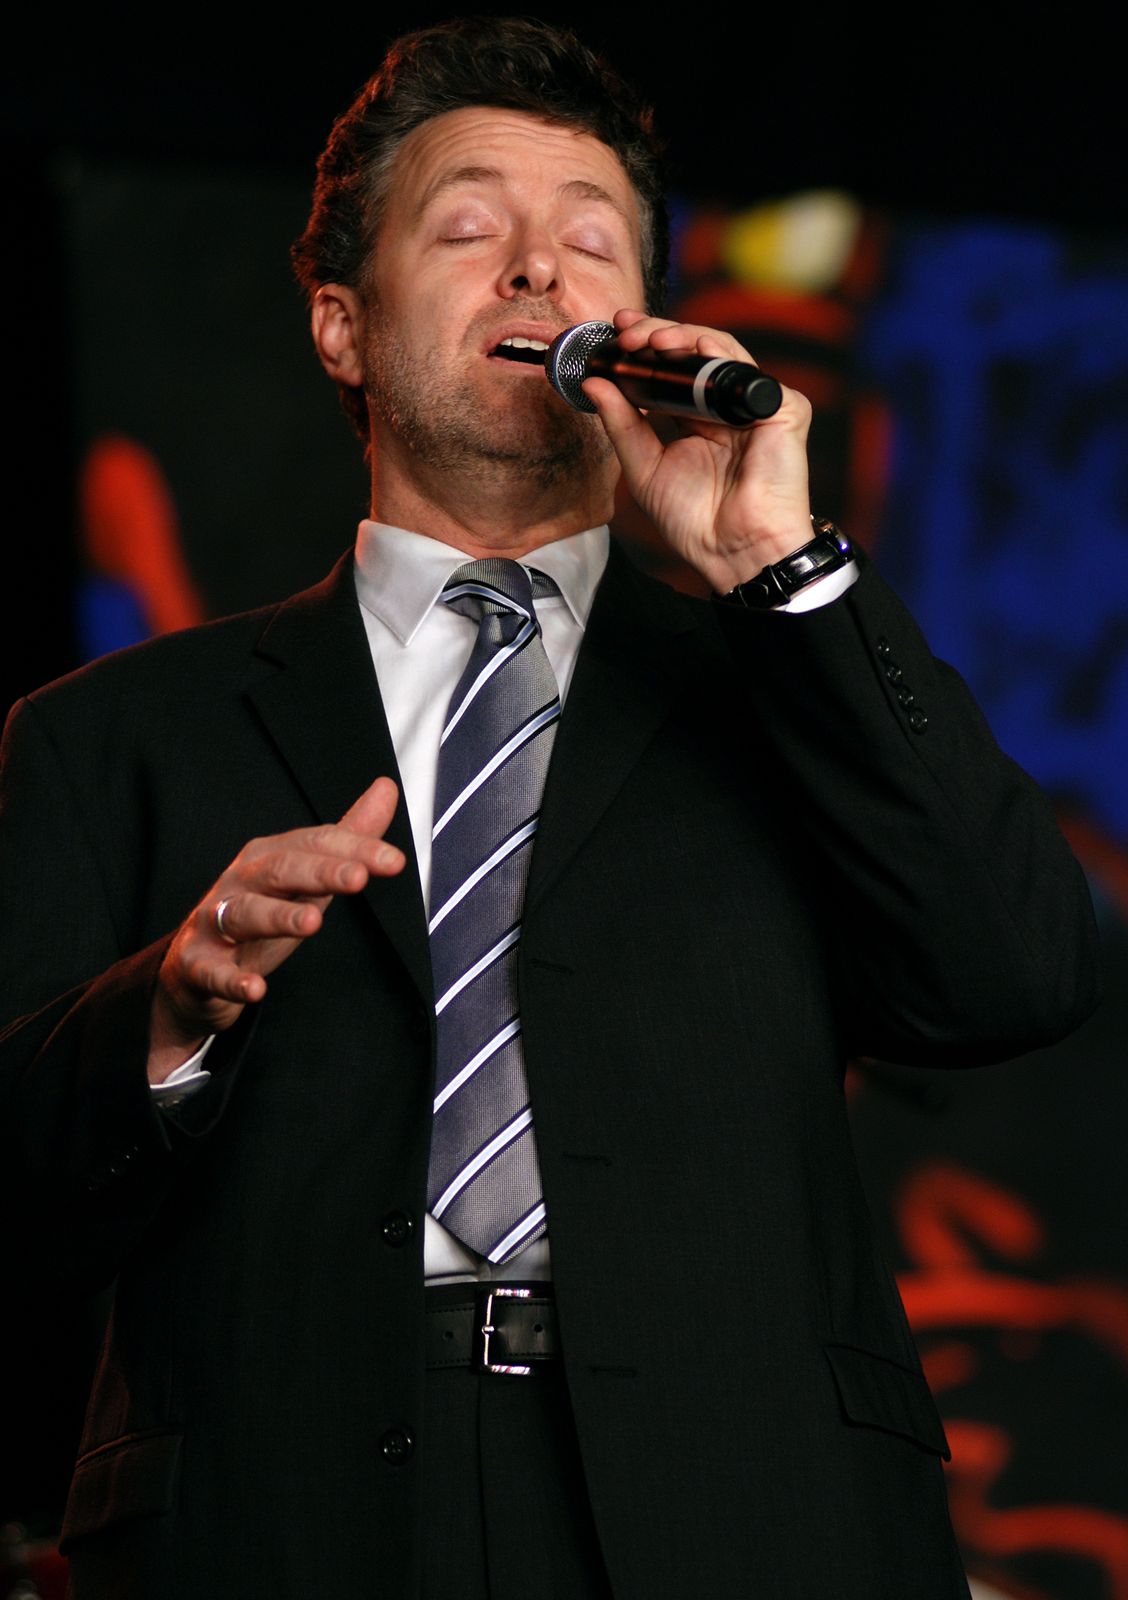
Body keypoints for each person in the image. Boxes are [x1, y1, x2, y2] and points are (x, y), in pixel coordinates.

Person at [0, 18, 1100, 1599]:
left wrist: (777, 572)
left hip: (746, 1507)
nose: (537, 267)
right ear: (341, 327)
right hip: (279, 1515)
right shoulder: (110, 736)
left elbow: (1018, 976)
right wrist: (166, 1016)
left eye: (591, 241)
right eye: (469, 230)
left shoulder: (786, 686)